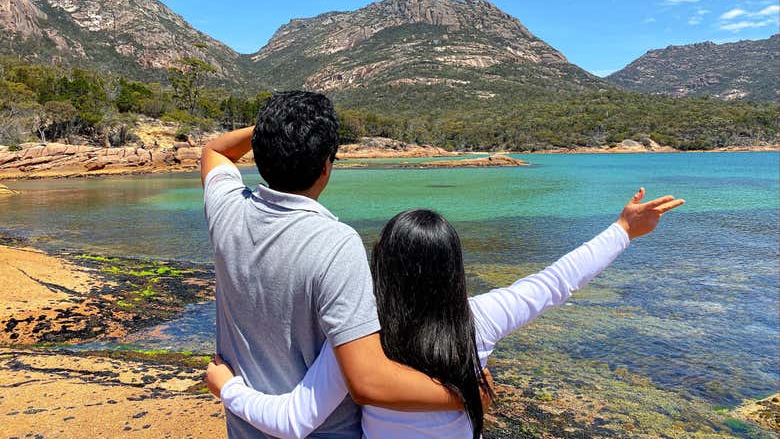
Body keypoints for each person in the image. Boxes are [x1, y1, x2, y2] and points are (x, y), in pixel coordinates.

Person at [205, 191, 684, 438]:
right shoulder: (479, 319)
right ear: (453, 266)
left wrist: (229, 387)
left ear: (381, 265)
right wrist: (622, 230)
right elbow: (556, 282)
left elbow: (292, 421)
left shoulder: (361, 341)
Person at [201, 91, 467, 439]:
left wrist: (276, 130)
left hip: (244, 428)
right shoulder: (336, 243)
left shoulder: (226, 212)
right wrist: (465, 394)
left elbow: (215, 150)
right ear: (326, 166)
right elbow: (367, 382)